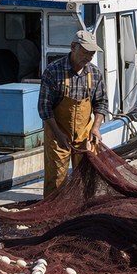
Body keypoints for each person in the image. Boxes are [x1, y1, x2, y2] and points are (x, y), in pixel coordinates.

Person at [39, 29, 109, 196]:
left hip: (85, 134)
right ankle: (53, 212)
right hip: (57, 133)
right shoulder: (53, 71)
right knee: (56, 180)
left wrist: (96, 128)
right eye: (85, 52)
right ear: (73, 47)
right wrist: (58, 134)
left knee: (86, 177)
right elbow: (44, 108)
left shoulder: (95, 73)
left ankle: (82, 211)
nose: (89, 57)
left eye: (91, 53)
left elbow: (102, 104)